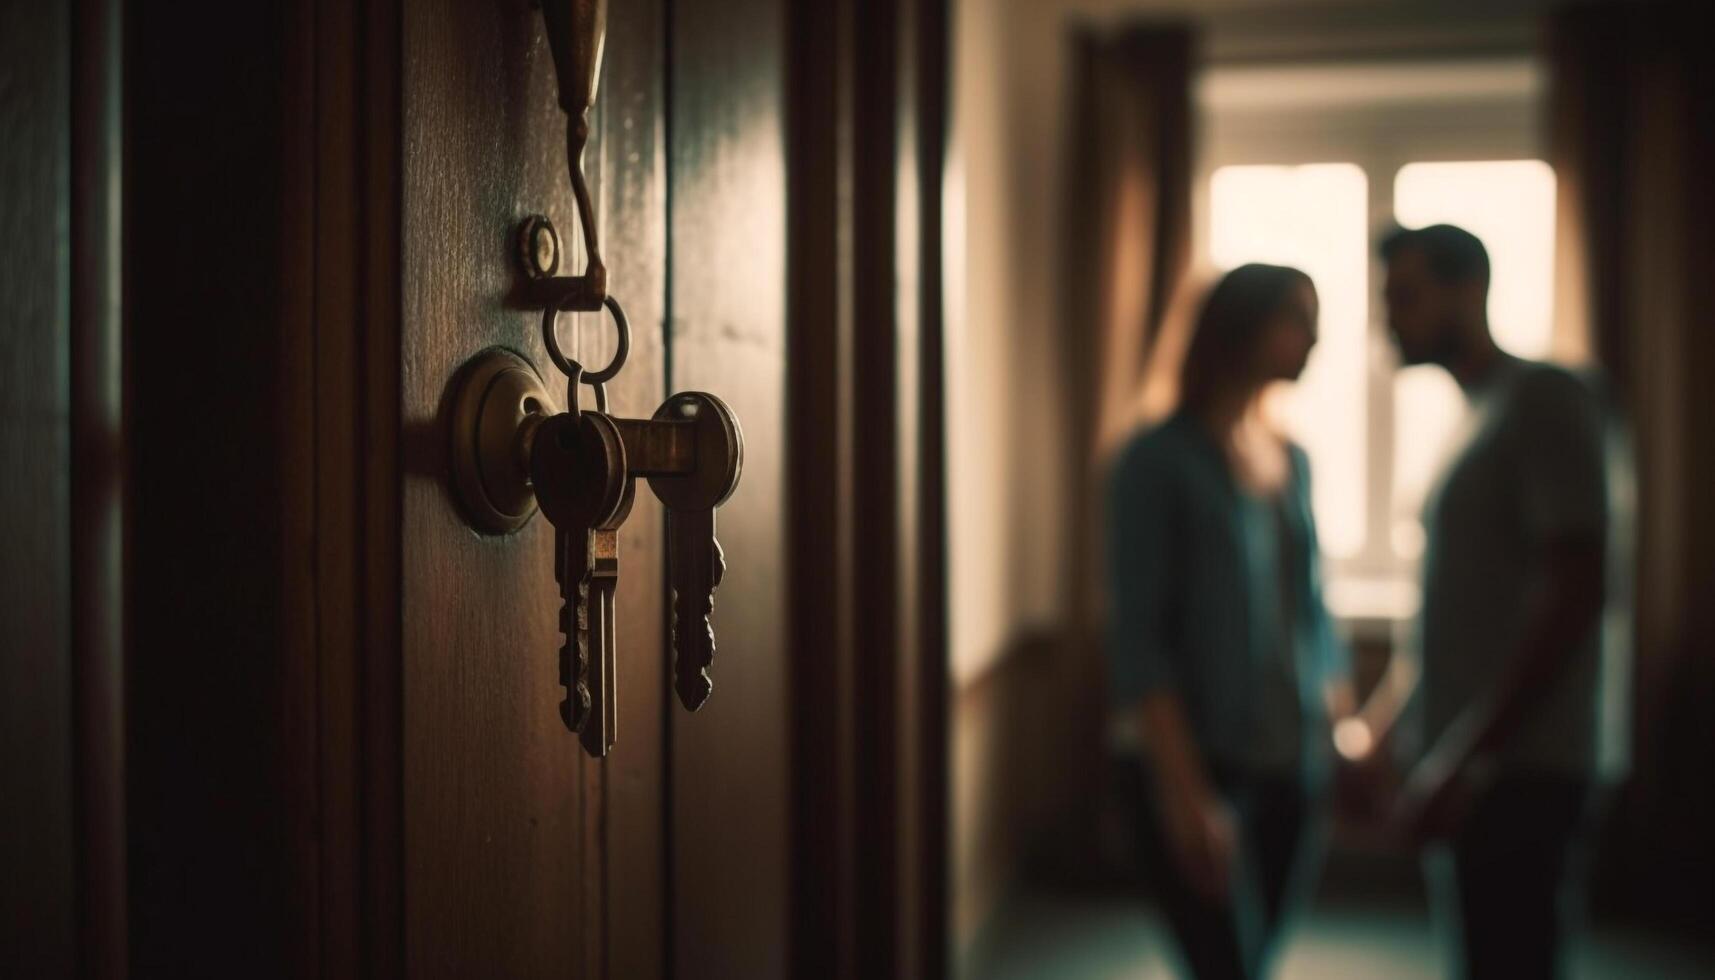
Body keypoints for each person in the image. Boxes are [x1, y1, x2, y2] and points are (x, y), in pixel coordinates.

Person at [1106, 263, 1356, 980]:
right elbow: (1139, 640)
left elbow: (1309, 607)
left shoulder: (1291, 460)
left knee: (1257, 954)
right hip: (1197, 761)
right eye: (1295, 318)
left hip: (1291, 761)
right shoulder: (1154, 461)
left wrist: (1339, 729)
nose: (1313, 337)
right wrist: (1187, 798)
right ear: (1238, 329)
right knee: (1223, 960)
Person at [1378, 224, 1613, 980]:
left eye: (1405, 296)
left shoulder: (1542, 395)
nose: (1388, 318)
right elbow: (1460, 611)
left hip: (1525, 768)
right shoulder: (1472, 414)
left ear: (1467, 289)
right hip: (1481, 761)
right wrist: (1392, 727)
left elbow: (1575, 586)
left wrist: (1467, 760)